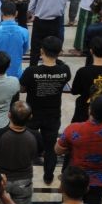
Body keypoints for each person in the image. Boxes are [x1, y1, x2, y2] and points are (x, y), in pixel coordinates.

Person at [20, 36, 72, 185]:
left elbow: (22, 88)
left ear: (41, 51)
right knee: (50, 148)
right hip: (53, 114)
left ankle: (24, 174)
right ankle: (48, 176)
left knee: (27, 144)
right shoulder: (64, 70)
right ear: (60, 52)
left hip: (32, 114)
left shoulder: (32, 71)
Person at [56, 95, 102, 204]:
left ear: (90, 109)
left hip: (74, 179)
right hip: (99, 180)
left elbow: (58, 150)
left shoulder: (74, 128)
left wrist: (71, 148)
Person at [0, 1, 29, 79]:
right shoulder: (24, 32)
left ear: (1, 14)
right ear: (16, 13)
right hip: (15, 74)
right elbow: (24, 50)